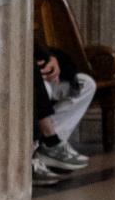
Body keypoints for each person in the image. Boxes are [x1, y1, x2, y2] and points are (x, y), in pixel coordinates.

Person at [33, 47, 96, 185]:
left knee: (86, 84)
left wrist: (51, 59)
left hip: (40, 69)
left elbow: (37, 44)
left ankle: (49, 149)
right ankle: (48, 143)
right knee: (37, 89)